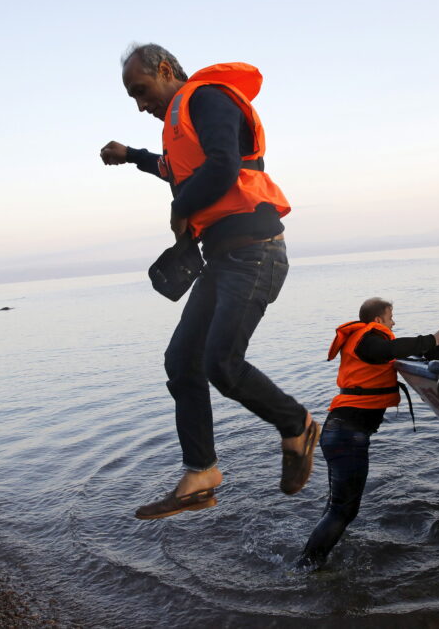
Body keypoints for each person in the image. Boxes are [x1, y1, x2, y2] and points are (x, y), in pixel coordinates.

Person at [100, 43, 319, 519]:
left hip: (255, 252)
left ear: (165, 70)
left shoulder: (207, 98)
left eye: (141, 90)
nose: (141, 105)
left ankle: (296, 424)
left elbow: (221, 167)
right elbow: (174, 169)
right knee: (182, 361)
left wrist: (180, 210)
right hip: (223, 259)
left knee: (221, 362)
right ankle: (202, 472)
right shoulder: (180, 123)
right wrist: (130, 154)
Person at [297, 298, 439, 569]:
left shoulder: (369, 342)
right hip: (346, 435)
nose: (394, 322)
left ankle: (316, 556)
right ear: (378, 320)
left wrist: (433, 351)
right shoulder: (368, 339)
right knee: (344, 508)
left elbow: (393, 352)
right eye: (391, 317)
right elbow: (389, 348)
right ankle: (307, 567)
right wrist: (434, 338)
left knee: (339, 505)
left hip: (342, 433)